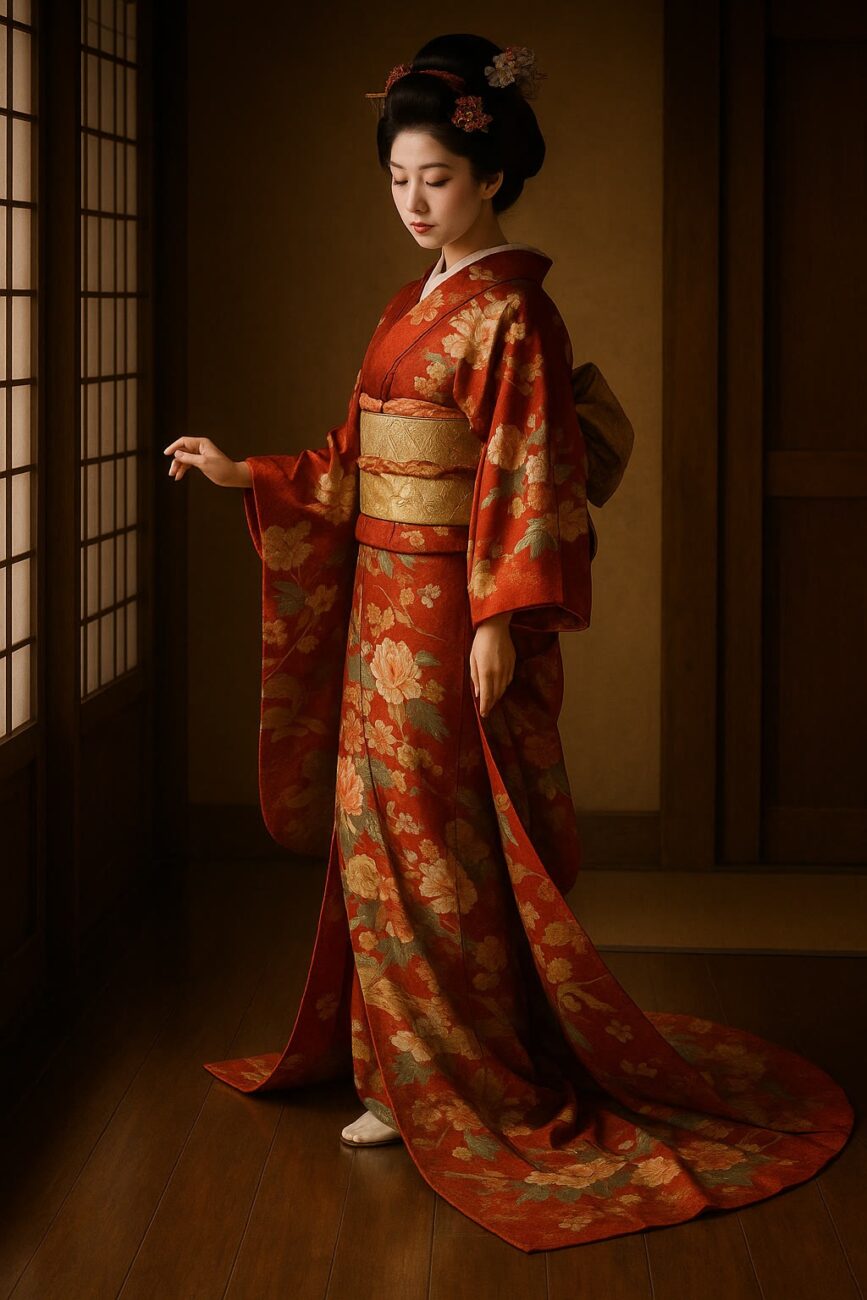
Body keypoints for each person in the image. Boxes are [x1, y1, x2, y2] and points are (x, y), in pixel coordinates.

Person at [163, 34, 854, 1254]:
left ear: (489, 177)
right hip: (377, 608)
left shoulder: (516, 313)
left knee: (444, 851)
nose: (414, 201)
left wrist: (498, 619)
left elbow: (526, 477)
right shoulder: (407, 308)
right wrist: (245, 473)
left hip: (448, 610)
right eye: (398, 179)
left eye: (435, 178)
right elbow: (353, 458)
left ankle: (462, 1079)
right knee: (379, 840)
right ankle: (394, 1067)